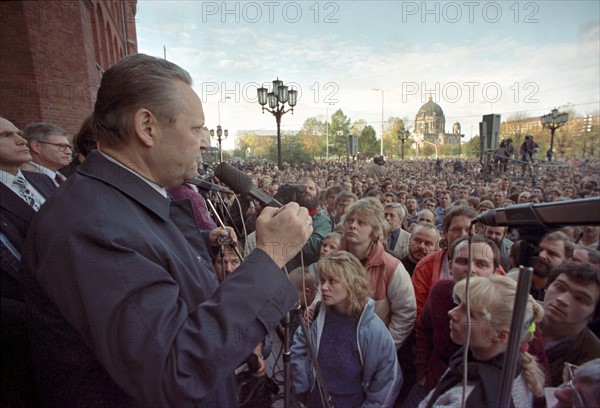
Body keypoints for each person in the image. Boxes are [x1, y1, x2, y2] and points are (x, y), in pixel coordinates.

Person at [19, 53, 313, 407]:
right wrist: (271, 257)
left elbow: (167, 292)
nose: (205, 141)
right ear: (147, 127)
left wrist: (235, 341)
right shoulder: (91, 227)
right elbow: (175, 369)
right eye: (195, 128)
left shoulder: (122, 202)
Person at [291, 251, 401, 408]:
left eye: (333, 281)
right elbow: (299, 344)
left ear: (352, 283)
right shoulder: (319, 315)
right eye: (322, 281)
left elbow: (386, 381)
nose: (324, 287)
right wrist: (302, 385)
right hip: (315, 399)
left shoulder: (373, 330)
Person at [419, 275, 546, 407]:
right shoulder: (482, 360)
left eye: (470, 313)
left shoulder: (468, 401)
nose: (452, 312)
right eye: (460, 304)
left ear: (501, 335)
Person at [1, 117, 58, 407]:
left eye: (20, 133)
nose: (21, 140)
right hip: (28, 332)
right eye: (6, 135)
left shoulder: (41, 181)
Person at [340, 198, 416, 349]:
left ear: (374, 231)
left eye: (361, 223)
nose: (353, 226)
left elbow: (405, 313)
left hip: (371, 347)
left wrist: (384, 347)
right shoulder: (335, 260)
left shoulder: (391, 267)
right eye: (350, 220)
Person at [541, 263, 600, 387]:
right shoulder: (517, 317)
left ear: (593, 314)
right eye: (559, 288)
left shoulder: (594, 360)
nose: (562, 299)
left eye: (579, 298)